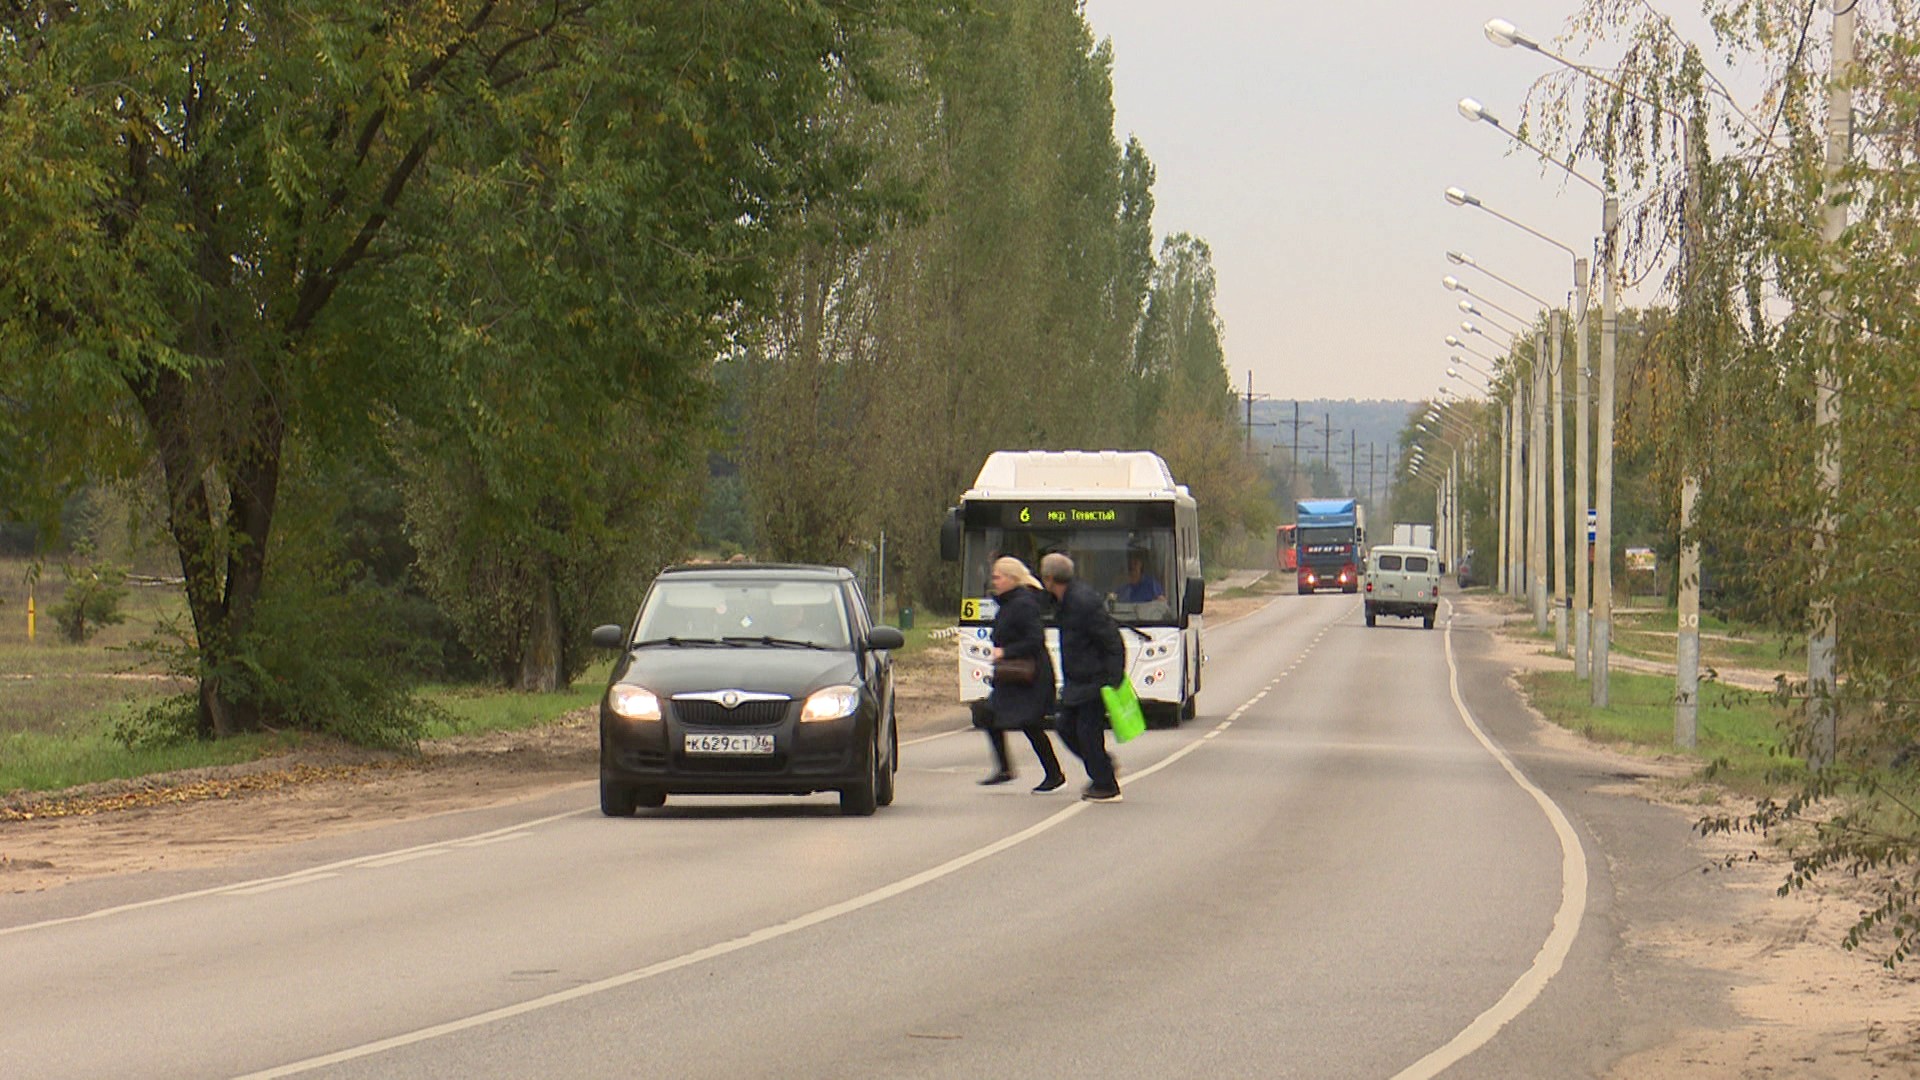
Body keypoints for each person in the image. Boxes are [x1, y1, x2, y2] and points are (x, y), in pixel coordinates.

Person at [1039, 551, 1125, 802]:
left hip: (1093, 679)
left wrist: (1114, 677)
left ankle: (1105, 783)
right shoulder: (1065, 600)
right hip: (1077, 680)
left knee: (1087, 733)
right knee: (1065, 727)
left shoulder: (1083, 602)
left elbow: (1111, 638)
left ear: (1051, 577)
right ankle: (1103, 767)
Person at [980, 556, 1067, 793]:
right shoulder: (1010, 602)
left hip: (1029, 676)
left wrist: (1006, 650)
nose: (994, 582)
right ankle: (1007, 768)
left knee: (1030, 724)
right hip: (1013, 675)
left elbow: (1035, 639)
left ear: (1011, 579)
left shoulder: (1023, 604)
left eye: (998, 577)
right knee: (990, 715)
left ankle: (1053, 773)